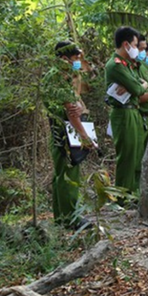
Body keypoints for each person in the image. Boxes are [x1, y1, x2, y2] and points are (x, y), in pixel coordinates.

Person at [43, 41, 97, 229]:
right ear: (64, 58)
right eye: (75, 58)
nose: (78, 62)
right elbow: (71, 112)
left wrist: (79, 106)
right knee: (69, 174)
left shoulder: (61, 76)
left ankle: (61, 217)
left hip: (60, 129)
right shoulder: (58, 78)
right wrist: (84, 137)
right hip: (65, 131)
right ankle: (71, 219)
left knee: (61, 174)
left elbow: (76, 103)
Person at [105, 26, 148, 201]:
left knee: (136, 156)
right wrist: (140, 85)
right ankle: (123, 197)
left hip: (134, 111)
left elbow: (137, 86)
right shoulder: (116, 65)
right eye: (135, 45)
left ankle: (134, 193)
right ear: (126, 44)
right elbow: (138, 89)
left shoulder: (128, 65)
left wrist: (138, 85)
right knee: (127, 157)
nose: (137, 49)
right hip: (123, 113)